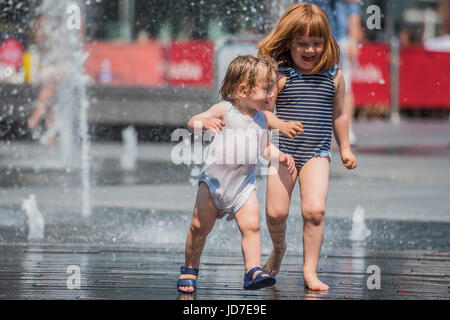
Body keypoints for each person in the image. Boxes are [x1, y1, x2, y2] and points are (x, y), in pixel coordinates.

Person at [257, 2, 357, 291]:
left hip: (317, 153)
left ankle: (309, 271)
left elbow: (339, 114)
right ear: (288, 43)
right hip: (283, 153)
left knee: (314, 211)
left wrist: (346, 148)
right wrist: (279, 127)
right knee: (276, 213)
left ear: (327, 43)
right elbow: (264, 112)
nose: (310, 50)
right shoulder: (279, 75)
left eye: (316, 43)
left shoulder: (334, 75)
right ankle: (279, 247)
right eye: (302, 43)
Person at [177, 55, 295, 294]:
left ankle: (252, 270)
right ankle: (190, 268)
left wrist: (279, 155)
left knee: (251, 227)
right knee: (198, 228)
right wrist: (206, 123)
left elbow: (263, 148)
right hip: (213, 184)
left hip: (243, 187)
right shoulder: (225, 109)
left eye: (273, 88)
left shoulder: (261, 118)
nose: (272, 93)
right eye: (266, 89)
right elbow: (192, 122)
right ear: (243, 90)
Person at [305, 0, 363, 145]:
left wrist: (353, 41)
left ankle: (347, 129)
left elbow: (354, 14)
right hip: (316, 38)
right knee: (312, 83)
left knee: (344, 87)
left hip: (339, 40)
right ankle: (312, 128)